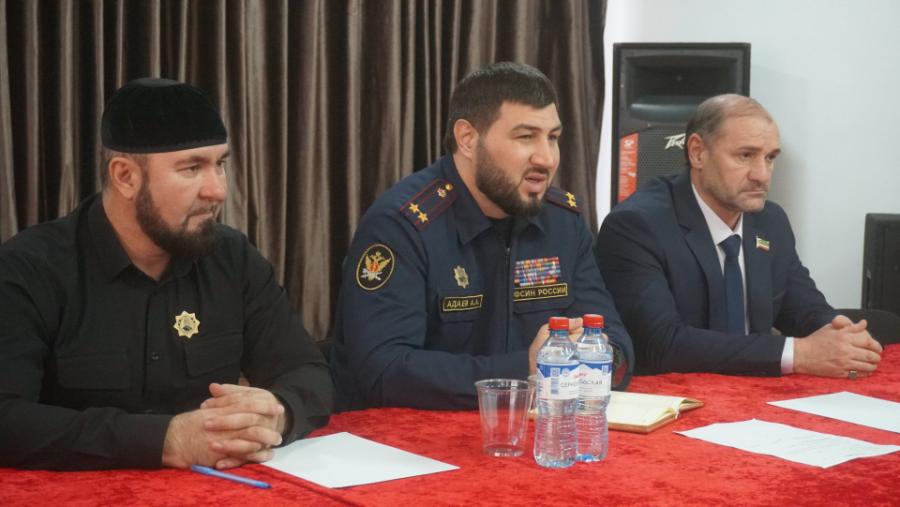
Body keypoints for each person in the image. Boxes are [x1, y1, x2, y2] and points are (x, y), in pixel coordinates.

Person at [0, 78, 332, 470]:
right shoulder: (31, 268)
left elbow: (309, 373)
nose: (217, 190)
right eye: (192, 168)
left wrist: (276, 412)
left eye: (220, 165)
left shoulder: (233, 259)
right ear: (125, 176)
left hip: (219, 491)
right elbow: (7, 417)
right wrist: (164, 440)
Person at [331, 62, 634, 410]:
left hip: (535, 427)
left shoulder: (563, 222)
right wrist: (526, 369)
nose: (546, 158)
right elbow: (383, 370)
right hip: (408, 435)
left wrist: (598, 357)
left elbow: (614, 340)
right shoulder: (402, 226)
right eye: (525, 137)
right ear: (468, 139)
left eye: (553, 138)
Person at [596, 94, 882, 379]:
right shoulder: (637, 226)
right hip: (673, 396)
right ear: (697, 152)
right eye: (745, 155)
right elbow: (662, 344)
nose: (762, 175)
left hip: (754, 395)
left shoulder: (771, 221)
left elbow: (803, 307)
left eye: (770, 158)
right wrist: (800, 354)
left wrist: (840, 331)